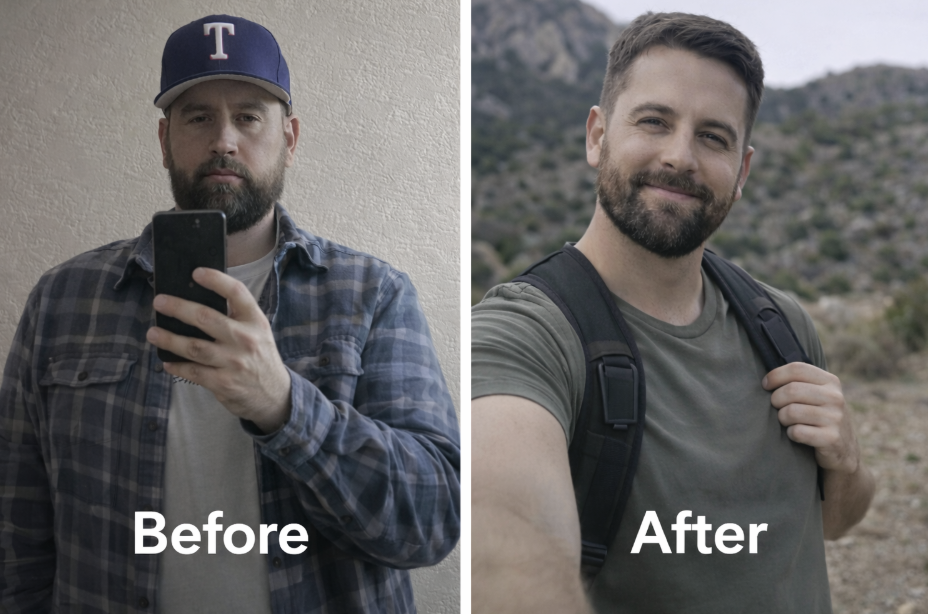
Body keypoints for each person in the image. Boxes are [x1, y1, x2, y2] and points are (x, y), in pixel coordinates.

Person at [0, 14, 459, 613]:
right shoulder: (64, 300)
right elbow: (16, 529)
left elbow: (432, 521)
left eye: (248, 117)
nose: (223, 140)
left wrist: (283, 406)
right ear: (164, 140)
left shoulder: (372, 294)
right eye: (198, 118)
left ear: (289, 138)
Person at [472, 12, 874, 613]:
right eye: (654, 121)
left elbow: (833, 522)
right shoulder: (525, 335)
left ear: (741, 171)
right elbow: (502, 547)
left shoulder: (781, 326)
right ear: (597, 136)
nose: (680, 157)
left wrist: (847, 461)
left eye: (713, 137)